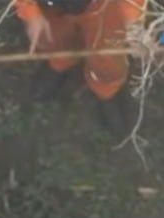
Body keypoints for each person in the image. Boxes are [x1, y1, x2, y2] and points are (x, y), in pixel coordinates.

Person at [17, 0, 146, 133]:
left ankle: (107, 90)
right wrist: (31, 13)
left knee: (107, 58)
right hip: (55, 8)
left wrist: (132, 19)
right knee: (54, 40)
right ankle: (59, 63)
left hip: (104, 6)